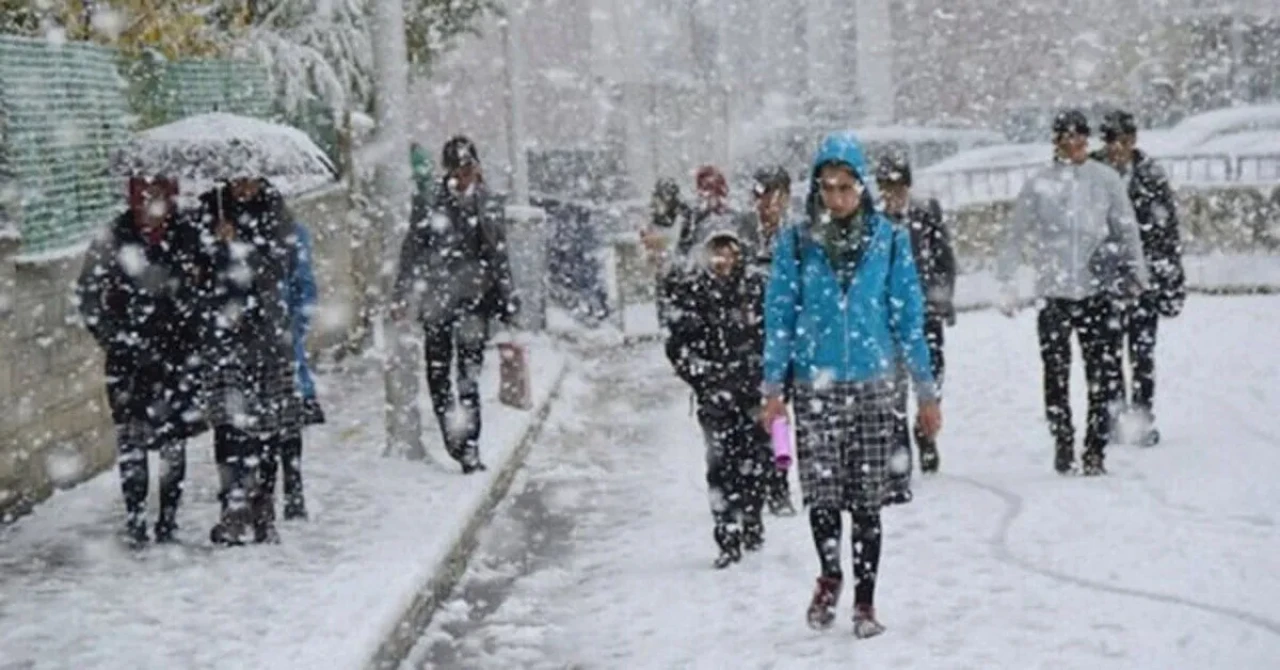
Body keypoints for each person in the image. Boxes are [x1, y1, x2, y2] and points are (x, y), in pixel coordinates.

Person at [759, 132, 942, 638]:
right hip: (815, 383)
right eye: (827, 188)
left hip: (873, 383)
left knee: (866, 498)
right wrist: (773, 387)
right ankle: (830, 574)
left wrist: (926, 391)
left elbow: (908, 318)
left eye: (845, 187)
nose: (836, 198)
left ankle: (865, 600)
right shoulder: (797, 243)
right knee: (822, 494)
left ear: (862, 188)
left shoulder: (889, 240)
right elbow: (779, 316)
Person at [996, 109, 1149, 476]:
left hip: (1096, 290)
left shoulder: (1105, 179)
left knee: (1102, 371)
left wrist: (1137, 274)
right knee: (1056, 372)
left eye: (1079, 137)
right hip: (1054, 291)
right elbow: (1016, 234)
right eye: (1066, 137)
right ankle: (1063, 437)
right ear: (1056, 141)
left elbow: (1126, 229)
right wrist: (1008, 282)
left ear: (1087, 140)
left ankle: (1095, 448)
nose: (1073, 144)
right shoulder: (1039, 183)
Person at [76, 175, 207, 546]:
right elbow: (87, 296)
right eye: (142, 196)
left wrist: (191, 315)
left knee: (173, 440)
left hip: (176, 357)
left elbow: (210, 288)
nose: (149, 204)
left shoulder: (188, 233)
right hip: (128, 360)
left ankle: (168, 518)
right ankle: (135, 517)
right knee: (131, 440)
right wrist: (115, 337)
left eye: (157, 195)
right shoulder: (114, 236)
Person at [391, 135, 519, 474]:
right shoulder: (431, 203)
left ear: (476, 168)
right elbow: (412, 249)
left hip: (475, 302)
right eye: (457, 172)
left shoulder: (489, 203)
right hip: (438, 301)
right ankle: (454, 437)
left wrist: (508, 298)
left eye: (468, 169)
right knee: (438, 374)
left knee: (468, 376)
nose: (463, 178)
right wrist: (402, 294)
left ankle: (469, 445)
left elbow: (499, 253)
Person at [197, 177, 303, 545]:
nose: (243, 186)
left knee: (266, 428)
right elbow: (194, 270)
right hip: (224, 337)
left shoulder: (275, 211)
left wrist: (238, 243)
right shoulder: (209, 208)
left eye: (250, 179)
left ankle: (263, 509)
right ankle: (232, 507)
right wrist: (214, 246)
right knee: (228, 427)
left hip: (267, 338)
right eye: (237, 179)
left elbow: (281, 266)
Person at [665, 230, 769, 569]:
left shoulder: (755, 289)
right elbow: (678, 346)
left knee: (755, 460)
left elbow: (775, 334)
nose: (723, 260)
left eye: (729, 251)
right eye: (716, 252)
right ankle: (726, 534)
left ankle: (752, 519)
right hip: (715, 396)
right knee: (720, 466)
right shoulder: (692, 292)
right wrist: (703, 377)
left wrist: (766, 374)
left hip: (753, 392)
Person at [1093, 110, 1186, 447]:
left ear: (1133, 140)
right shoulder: (1093, 175)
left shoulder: (1150, 176)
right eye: (1112, 140)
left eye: (1124, 139)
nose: (1118, 147)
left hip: (1145, 280)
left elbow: (1167, 232)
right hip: (1105, 281)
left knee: (1142, 354)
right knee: (1108, 355)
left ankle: (1141, 418)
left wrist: (1169, 279)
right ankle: (1115, 416)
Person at [875, 154, 956, 478]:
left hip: (924, 312)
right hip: (888, 318)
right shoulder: (875, 222)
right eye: (886, 187)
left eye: (897, 186)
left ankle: (926, 432)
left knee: (930, 377)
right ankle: (898, 453)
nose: (892, 193)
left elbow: (943, 259)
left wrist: (941, 298)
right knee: (891, 387)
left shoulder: (925, 214)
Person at [737, 166, 796, 516]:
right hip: (751, 337)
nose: (769, 205)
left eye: (776, 196)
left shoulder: (797, 237)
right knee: (759, 413)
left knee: (779, 414)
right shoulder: (744, 236)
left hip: (788, 336)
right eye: (763, 196)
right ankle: (760, 484)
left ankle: (779, 482)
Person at [258, 219, 325, 522]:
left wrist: (293, 326)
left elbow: (305, 286)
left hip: (282, 341)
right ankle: (266, 494)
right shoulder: (228, 227)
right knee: (263, 424)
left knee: (287, 417)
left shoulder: (289, 233)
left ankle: (293, 489)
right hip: (250, 343)